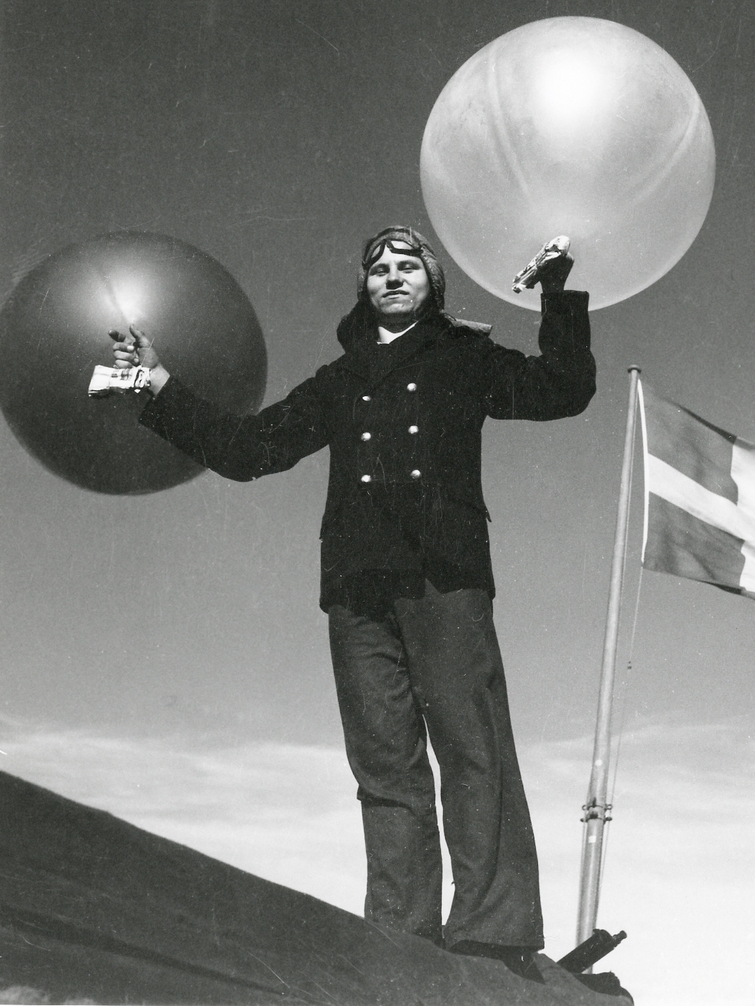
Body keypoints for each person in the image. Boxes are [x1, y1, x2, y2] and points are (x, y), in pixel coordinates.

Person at [110, 226, 595, 979]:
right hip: (357, 589)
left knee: (472, 746)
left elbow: (563, 391)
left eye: (409, 267)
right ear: (363, 288)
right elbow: (248, 451)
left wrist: (557, 292)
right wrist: (160, 387)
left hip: (446, 578)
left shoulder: (466, 360)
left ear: (433, 285)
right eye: (379, 269)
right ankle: (401, 936)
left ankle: (493, 934)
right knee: (383, 763)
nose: (393, 277)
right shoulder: (336, 382)